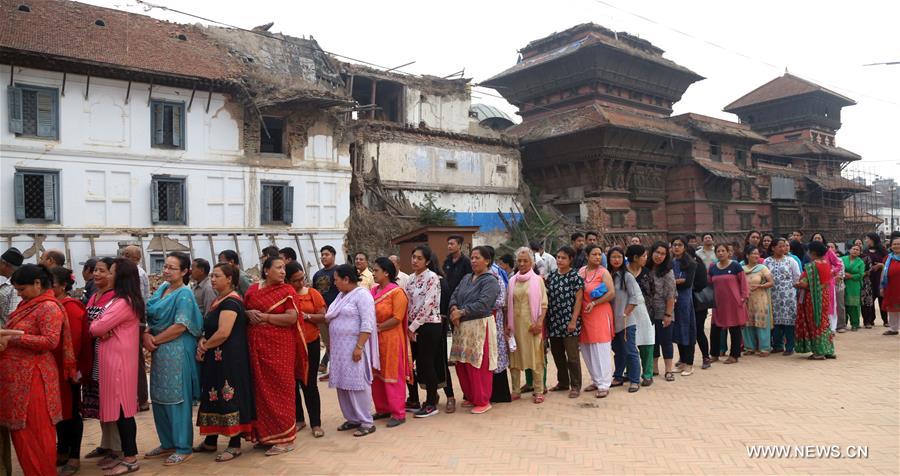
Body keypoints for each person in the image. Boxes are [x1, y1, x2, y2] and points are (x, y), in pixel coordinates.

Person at [0, 264, 73, 476]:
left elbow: (50, 341)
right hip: (19, 378)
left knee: (35, 434)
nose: (19, 294)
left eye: (22, 289)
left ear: (38, 284)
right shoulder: (30, 303)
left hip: (34, 378)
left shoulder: (48, 307)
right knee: (23, 436)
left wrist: (13, 337)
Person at [144, 252, 203, 465]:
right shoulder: (162, 289)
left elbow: (180, 326)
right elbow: (152, 317)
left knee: (178, 398)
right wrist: (146, 335)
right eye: (165, 267)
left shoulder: (184, 294)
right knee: (159, 396)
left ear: (185, 271)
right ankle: (167, 442)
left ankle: (183, 446)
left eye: (172, 268)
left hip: (177, 350)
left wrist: (154, 340)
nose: (166, 271)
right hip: (160, 349)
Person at [194, 263, 255, 462]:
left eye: (217, 276)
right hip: (216, 358)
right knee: (213, 394)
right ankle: (211, 440)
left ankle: (235, 444)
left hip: (229, 359)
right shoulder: (219, 300)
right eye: (212, 276)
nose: (212, 279)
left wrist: (204, 346)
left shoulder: (231, 302)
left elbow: (223, 332)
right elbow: (212, 330)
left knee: (228, 395)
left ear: (229, 279)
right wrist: (204, 340)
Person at [244, 257, 305, 455]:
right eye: (278, 268)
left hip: (280, 348)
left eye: (284, 269)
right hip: (256, 347)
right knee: (260, 391)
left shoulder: (287, 291)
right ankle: (265, 435)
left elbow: (292, 317)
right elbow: (243, 311)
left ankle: (285, 438)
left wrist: (265, 317)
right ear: (266, 270)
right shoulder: (253, 290)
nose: (282, 272)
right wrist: (248, 314)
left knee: (281, 389)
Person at [88, 258, 143, 476]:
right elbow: (98, 325)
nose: (105, 275)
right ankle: (125, 455)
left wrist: (100, 326)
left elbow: (96, 326)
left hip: (118, 362)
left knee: (123, 411)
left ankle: (130, 458)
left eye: (110, 272)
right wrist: (100, 326)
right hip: (114, 360)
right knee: (121, 411)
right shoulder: (121, 300)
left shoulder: (124, 302)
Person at [325, 265, 378, 437]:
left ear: (346, 279)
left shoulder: (362, 295)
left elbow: (367, 323)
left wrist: (359, 347)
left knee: (357, 384)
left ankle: (366, 421)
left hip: (354, 347)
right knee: (343, 384)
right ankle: (352, 418)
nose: (335, 283)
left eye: (336, 279)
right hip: (340, 350)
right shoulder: (341, 296)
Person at [81, 258, 124, 469]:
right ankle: (105, 443)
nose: (96, 274)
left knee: (110, 402)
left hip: (107, 356)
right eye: (95, 270)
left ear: (112, 274)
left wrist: (94, 328)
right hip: (93, 355)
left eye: (102, 271)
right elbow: (92, 325)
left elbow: (103, 327)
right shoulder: (94, 296)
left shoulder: (115, 298)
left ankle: (117, 448)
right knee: (99, 403)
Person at [448, 246, 501, 414]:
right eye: (472, 257)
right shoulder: (466, 278)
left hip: (479, 327)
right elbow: (454, 295)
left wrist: (461, 312)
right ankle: (470, 396)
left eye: (477, 257)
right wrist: (454, 308)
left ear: (487, 260)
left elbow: (484, 303)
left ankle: (483, 400)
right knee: (463, 364)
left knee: (478, 365)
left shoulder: (490, 280)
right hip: (462, 328)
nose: (473, 261)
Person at [49, 267, 89, 476]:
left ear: (63, 285)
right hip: (52, 369)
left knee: (71, 413)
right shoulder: (52, 305)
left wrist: (73, 369)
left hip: (68, 369)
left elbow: (73, 343)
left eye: (52, 284)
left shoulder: (70, 307)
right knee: (59, 413)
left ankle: (74, 456)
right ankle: (62, 449)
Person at [285, 262, 326, 439]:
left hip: (310, 342)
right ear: (288, 281)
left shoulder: (312, 293)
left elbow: (323, 316)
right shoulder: (285, 296)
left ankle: (316, 423)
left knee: (310, 383)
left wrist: (306, 317)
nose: (300, 283)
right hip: (290, 344)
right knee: (292, 383)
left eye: (302, 279)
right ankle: (299, 419)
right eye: (296, 280)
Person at [369, 258, 412, 426]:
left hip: (391, 338)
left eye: (376, 270)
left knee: (392, 374)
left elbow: (397, 318)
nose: (373, 273)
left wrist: (378, 328)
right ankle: (383, 408)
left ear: (386, 272)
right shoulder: (372, 291)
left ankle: (398, 413)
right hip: (374, 339)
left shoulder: (397, 292)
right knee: (377, 374)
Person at [404, 246, 445, 418]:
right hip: (412, 327)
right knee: (411, 363)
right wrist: (408, 325)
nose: (415, 261)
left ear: (427, 261)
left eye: (419, 258)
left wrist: (413, 327)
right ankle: (414, 399)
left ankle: (430, 402)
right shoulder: (411, 279)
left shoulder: (432, 278)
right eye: (413, 257)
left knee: (426, 363)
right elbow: (407, 303)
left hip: (429, 325)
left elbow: (429, 304)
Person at [507, 247, 549, 403]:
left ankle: (538, 390)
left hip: (532, 326)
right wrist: (507, 325)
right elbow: (507, 304)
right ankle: (515, 390)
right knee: (515, 359)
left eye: (526, 261)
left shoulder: (538, 280)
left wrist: (539, 323)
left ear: (532, 262)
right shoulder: (512, 280)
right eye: (519, 261)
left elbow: (544, 304)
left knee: (536, 358)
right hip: (515, 326)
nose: (522, 263)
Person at [578, 244, 616, 397]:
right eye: (594, 254)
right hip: (585, 315)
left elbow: (611, 292)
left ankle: (604, 384)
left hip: (599, 313)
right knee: (587, 349)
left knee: (601, 349)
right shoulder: (581, 271)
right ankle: (596, 379)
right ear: (587, 256)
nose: (597, 257)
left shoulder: (603, 272)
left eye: (599, 254)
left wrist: (595, 303)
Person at [545, 246, 584, 398]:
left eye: (563, 258)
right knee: (557, 354)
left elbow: (579, 301)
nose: (560, 260)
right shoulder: (552, 276)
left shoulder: (575, 277)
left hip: (569, 322)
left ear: (570, 260)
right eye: (558, 257)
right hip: (554, 321)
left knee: (572, 356)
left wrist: (573, 321)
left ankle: (575, 385)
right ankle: (563, 382)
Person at [608, 247, 642, 393]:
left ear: (623, 259)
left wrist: (625, 313)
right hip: (611, 322)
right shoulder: (607, 275)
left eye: (619, 257)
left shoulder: (627, 276)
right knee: (618, 350)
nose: (616, 260)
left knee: (630, 350)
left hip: (627, 321)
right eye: (613, 257)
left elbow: (634, 299)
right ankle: (618, 376)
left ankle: (634, 380)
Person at [709, 244, 749, 364]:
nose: (721, 253)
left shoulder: (735, 266)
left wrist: (743, 297)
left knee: (734, 329)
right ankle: (714, 354)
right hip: (718, 304)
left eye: (723, 251)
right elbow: (709, 285)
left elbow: (743, 283)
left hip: (734, 303)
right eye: (718, 251)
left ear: (728, 253)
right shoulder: (712, 268)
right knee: (715, 329)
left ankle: (734, 355)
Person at [796, 241, 836, 359]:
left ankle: (818, 352)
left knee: (814, 322)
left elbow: (804, 283)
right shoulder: (826, 264)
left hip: (812, 298)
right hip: (824, 296)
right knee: (824, 322)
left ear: (813, 252)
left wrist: (797, 284)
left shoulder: (811, 266)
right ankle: (827, 349)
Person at [122, 245, 150, 412]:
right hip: (136, 319)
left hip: (134, 320)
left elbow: (135, 299)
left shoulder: (135, 273)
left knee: (136, 360)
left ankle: (141, 399)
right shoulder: (137, 272)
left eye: (126, 254)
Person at [624, 245, 655, 387]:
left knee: (647, 341)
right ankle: (630, 372)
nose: (646, 258)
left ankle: (647, 374)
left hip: (645, 311)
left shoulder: (647, 273)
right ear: (635, 257)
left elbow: (653, 292)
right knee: (630, 342)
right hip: (627, 311)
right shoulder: (622, 273)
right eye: (643, 256)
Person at [764, 238, 801, 356]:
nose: (783, 248)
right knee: (775, 322)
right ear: (773, 248)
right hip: (773, 296)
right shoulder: (767, 262)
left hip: (788, 297)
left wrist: (794, 290)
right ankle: (777, 345)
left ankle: (790, 346)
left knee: (789, 322)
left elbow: (797, 277)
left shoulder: (791, 261)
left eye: (784, 246)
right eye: (780, 246)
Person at [647, 242, 676, 380]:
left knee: (666, 340)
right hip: (648, 311)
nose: (659, 256)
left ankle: (669, 370)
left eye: (663, 254)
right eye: (657, 252)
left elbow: (670, 295)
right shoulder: (646, 269)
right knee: (653, 340)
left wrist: (668, 314)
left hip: (664, 310)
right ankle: (654, 368)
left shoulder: (668, 272)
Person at [670, 237, 697, 376]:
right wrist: (677, 281)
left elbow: (687, 283)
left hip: (685, 301)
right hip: (672, 300)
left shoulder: (691, 263)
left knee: (687, 330)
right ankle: (682, 362)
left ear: (685, 247)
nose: (676, 247)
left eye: (679, 245)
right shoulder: (671, 262)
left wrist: (673, 281)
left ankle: (689, 364)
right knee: (678, 331)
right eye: (674, 245)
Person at [312, 245, 339, 378]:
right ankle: (332, 371)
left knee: (339, 343)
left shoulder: (339, 272)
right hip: (322, 315)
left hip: (337, 315)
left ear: (334, 256)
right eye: (322, 255)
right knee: (328, 344)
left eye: (327, 254)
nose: (323, 257)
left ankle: (339, 371)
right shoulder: (318, 274)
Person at [742, 247, 773, 356]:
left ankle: (765, 348)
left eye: (757, 254)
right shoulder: (742, 269)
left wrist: (760, 286)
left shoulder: (762, 268)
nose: (756, 256)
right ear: (747, 255)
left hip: (760, 299)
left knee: (762, 323)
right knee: (747, 323)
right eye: (753, 253)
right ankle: (749, 347)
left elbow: (771, 282)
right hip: (746, 300)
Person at [811, 233, 842, 333]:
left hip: (828, 282)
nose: (817, 239)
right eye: (815, 238)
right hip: (815, 282)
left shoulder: (828, 252)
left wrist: (831, 272)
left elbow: (838, 264)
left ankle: (832, 327)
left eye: (819, 238)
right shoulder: (810, 253)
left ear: (822, 240)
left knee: (830, 304)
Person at [688, 245, 712, 369]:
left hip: (698, 303)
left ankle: (706, 357)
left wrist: (688, 285)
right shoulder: (678, 264)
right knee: (686, 331)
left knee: (698, 331)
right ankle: (685, 358)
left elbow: (702, 283)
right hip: (685, 303)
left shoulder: (698, 264)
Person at [862, 233, 888, 328]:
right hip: (868, 279)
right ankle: (870, 320)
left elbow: (887, 262)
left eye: (867, 238)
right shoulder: (864, 251)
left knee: (882, 299)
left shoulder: (883, 251)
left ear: (872, 239)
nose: (866, 240)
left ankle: (885, 321)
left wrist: (881, 265)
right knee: (869, 300)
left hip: (880, 278)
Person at [841, 244, 864, 331]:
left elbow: (861, 275)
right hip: (842, 283)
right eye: (853, 249)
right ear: (849, 250)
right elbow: (838, 269)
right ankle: (843, 323)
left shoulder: (860, 262)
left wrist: (850, 276)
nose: (855, 251)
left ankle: (855, 324)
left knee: (854, 305)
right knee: (843, 304)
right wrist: (843, 275)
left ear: (859, 253)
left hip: (854, 285)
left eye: (857, 250)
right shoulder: (842, 259)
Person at [881, 236, 900, 335]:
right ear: (891, 246)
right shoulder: (888, 258)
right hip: (891, 287)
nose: (896, 246)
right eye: (894, 244)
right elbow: (883, 272)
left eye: (898, 244)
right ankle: (893, 329)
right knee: (892, 308)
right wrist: (881, 286)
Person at [0, 247, 24, 327]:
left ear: (5, 264)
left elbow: (13, 316)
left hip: (7, 332)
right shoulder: (8, 284)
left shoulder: (15, 287)